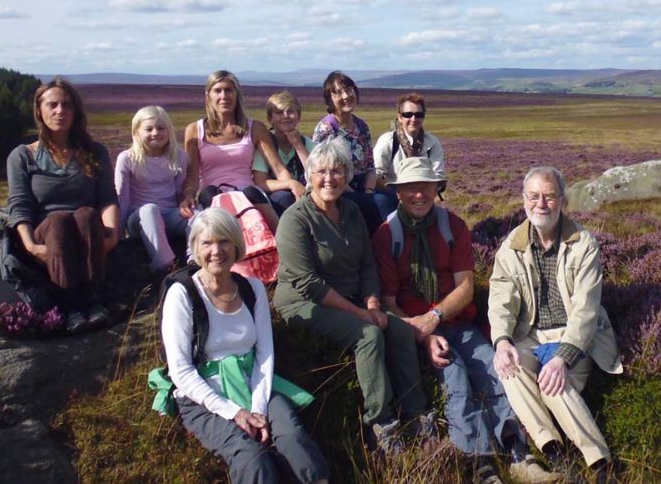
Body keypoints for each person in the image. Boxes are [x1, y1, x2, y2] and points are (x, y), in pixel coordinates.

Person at [374, 157, 557, 484]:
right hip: (414, 328)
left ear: (436, 189)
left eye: (426, 187)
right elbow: (388, 304)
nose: (419, 195)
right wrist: (425, 334)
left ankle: (518, 452)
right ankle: (480, 464)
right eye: (411, 188)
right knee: (454, 376)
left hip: (457, 322)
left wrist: (435, 317)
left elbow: (466, 288)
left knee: (497, 369)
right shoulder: (388, 235)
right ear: (398, 193)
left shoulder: (453, 226)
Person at [273, 139, 430, 455]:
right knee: (370, 335)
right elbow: (309, 284)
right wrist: (362, 315)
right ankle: (381, 423)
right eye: (321, 172)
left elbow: (367, 263)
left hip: (351, 297)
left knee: (399, 329)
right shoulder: (295, 219)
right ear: (309, 175)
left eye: (337, 171)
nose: (329, 178)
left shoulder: (352, 210)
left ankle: (417, 412)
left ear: (347, 176)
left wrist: (372, 302)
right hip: (305, 304)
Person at [162, 208, 329, 484]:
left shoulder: (253, 288)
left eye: (224, 241)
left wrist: (258, 409)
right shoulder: (182, 294)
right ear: (195, 248)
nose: (216, 250)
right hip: (202, 395)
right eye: (207, 243)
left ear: (237, 245)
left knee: (293, 439)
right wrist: (234, 413)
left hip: (254, 382)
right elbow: (181, 371)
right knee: (251, 457)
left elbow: (264, 354)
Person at [489, 167, 624, 484]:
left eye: (549, 196)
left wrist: (563, 356)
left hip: (577, 336)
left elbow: (586, 310)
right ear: (523, 201)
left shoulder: (584, 244)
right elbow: (501, 299)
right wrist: (503, 341)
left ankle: (600, 464)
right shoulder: (512, 247)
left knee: (552, 383)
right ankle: (555, 451)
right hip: (531, 334)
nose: (541, 204)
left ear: (562, 201)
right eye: (533, 196)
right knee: (509, 367)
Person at [6, 77, 119, 334]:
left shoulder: (95, 151)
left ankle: (93, 301)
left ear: (76, 111)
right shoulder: (23, 156)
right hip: (47, 235)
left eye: (67, 105)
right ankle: (69, 306)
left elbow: (107, 198)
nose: (60, 111)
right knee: (59, 220)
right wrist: (32, 246)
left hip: (87, 230)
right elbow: (19, 205)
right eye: (52, 105)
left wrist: (111, 235)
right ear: (39, 110)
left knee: (86, 213)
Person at [179, 71, 284, 233]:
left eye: (229, 90)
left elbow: (278, 169)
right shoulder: (194, 130)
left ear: (237, 94)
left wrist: (294, 184)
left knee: (252, 194)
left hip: (249, 196)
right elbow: (192, 177)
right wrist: (188, 196)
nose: (224, 96)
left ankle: (280, 245)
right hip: (213, 196)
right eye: (217, 90)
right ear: (208, 96)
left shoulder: (255, 128)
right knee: (210, 196)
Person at [311, 71, 392, 235]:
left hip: (364, 185)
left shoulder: (361, 125)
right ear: (330, 99)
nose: (346, 96)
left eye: (348, 90)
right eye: (338, 93)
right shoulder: (327, 128)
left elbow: (370, 165)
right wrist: (361, 196)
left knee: (393, 197)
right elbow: (325, 171)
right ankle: (383, 250)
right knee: (382, 203)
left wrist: (368, 192)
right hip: (339, 188)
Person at [115, 105, 188, 270]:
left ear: (169, 131)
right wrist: (118, 235)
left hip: (169, 215)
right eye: (149, 129)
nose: (156, 133)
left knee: (199, 216)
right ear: (136, 132)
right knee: (150, 209)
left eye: (161, 128)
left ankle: (193, 260)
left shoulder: (179, 156)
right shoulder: (126, 159)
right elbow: (122, 198)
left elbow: (179, 193)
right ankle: (165, 264)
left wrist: (187, 209)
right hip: (139, 219)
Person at [252, 91, 309, 216]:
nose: (286, 116)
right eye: (279, 113)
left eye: (291, 111)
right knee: (284, 197)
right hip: (276, 197)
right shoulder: (265, 145)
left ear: (299, 116)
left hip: (305, 192)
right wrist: (291, 184)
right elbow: (260, 183)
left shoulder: (307, 143)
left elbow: (315, 172)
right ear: (269, 119)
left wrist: (298, 146)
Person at [373, 92, 445, 189]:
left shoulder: (432, 142)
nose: (413, 119)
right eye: (408, 114)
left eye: (419, 114)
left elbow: (438, 175)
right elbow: (376, 174)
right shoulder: (388, 141)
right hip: (392, 196)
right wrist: (399, 193)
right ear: (400, 117)